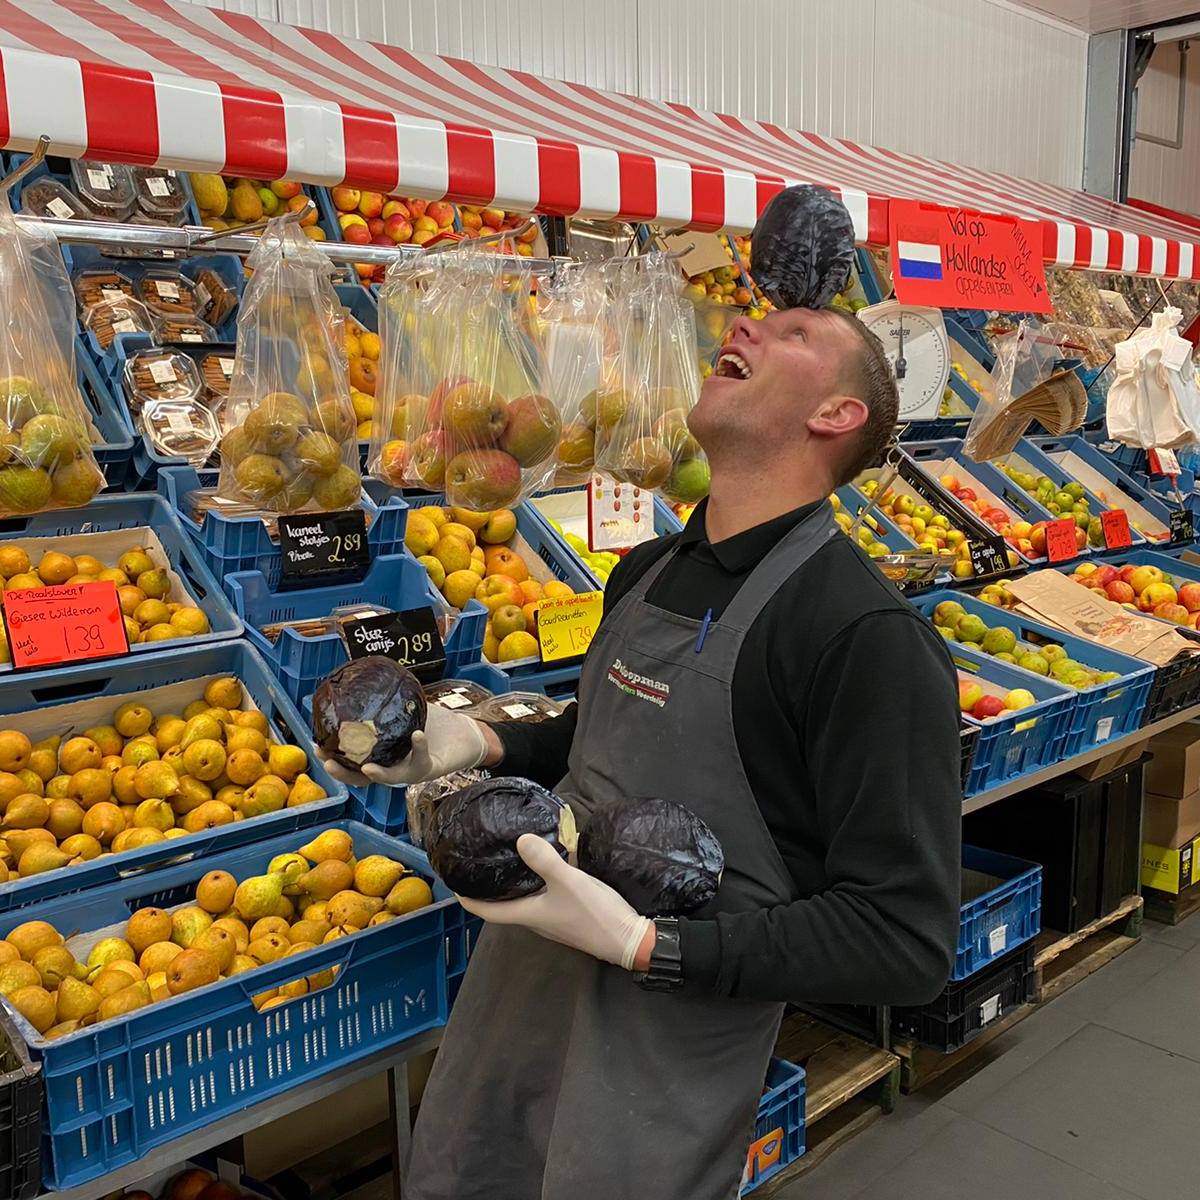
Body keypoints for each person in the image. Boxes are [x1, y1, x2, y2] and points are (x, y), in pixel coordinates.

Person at [323, 305, 962, 1200]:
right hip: (518, 1003)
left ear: (837, 416)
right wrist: (475, 740)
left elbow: (902, 938)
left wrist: (646, 946)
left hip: (662, 1061)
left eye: (795, 333)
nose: (744, 323)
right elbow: (604, 737)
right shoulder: (647, 569)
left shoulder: (864, 638)